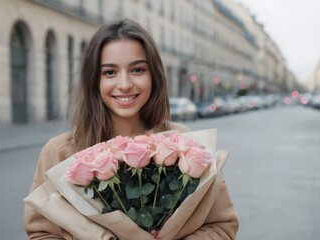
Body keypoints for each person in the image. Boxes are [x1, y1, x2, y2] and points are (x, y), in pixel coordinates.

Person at [24, 19, 239, 239]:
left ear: (153, 75)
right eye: (110, 72)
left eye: (137, 70)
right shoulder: (59, 152)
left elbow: (221, 225)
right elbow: (41, 233)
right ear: (93, 80)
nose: (125, 84)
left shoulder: (185, 144)